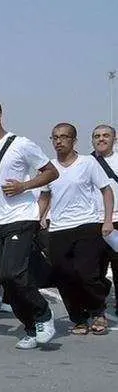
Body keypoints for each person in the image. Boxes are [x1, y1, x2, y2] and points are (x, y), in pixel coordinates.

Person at [0, 97, 59, 349]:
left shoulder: (21, 145)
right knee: (5, 278)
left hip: (22, 216)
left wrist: (24, 185)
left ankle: (43, 312)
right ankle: (30, 327)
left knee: (12, 272)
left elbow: (51, 172)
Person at [38, 122, 112, 335]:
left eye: (64, 137)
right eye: (55, 137)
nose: (59, 141)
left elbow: (107, 191)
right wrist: (38, 218)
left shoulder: (88, 163)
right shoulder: (49, 167)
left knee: (87, 273)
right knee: (64, 275)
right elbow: (45, 195)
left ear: (74, 140)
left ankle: (98, 311)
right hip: (58, 229)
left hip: (86, 225)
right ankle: (78, 317)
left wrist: (107, 220)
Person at [90, 124, 118, 315]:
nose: (101, 139)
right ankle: (97, 308)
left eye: (106, 135)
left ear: (114, 139)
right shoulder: (86, 162)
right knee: (94, 270)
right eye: (97, 136)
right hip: (93, 222)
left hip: (117, 222)